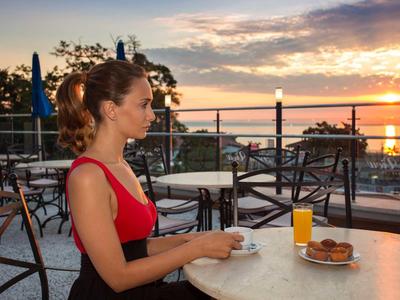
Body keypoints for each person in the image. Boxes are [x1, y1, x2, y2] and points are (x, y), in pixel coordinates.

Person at [56, 60, 243, 300]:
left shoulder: (121, 165)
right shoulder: (88, 177)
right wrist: (196, 248)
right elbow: (118, 277)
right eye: (143, 105)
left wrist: (195, 237)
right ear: (111, 109)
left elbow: (134, 247)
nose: (152, 116)